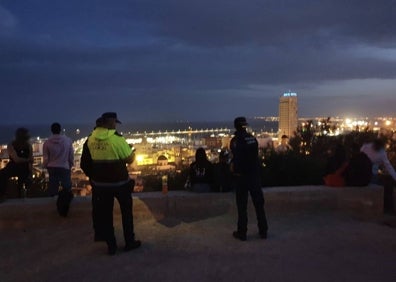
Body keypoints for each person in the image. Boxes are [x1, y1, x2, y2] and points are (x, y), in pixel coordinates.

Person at [82, 112, 141, 255]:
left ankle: (111, 245)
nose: (115, 125)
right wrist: (129, 150)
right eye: (115, 122)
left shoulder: (90, 139)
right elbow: (129, 158)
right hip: (120, 183)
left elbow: (85, 163)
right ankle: (129, 242)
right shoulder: (117, 139)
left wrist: (93, 177)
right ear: (111, 123)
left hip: (101, 186)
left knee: (105, 216)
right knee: (126, 213)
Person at [230, 117, 268, 241]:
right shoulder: (253, 139)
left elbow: (236, 158)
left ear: (236, 126)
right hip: (254, 176)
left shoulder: (236, 141)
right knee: (259, 204)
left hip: (242, 177)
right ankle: (263, 230)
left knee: (242, 206)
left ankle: (242, 232)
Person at [43, 123, 74, 216]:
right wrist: (70, 164)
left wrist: (46, 166)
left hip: (52, 167)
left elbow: (45, 158)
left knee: (53, 188)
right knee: (67, 188)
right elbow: (71, 155)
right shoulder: (67, 141)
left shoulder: (47, 142)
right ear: (60, 130)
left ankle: (54, 208)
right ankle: (65, 208)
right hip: (64, 167)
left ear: (51, 130)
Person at [360, 138, 396, 212]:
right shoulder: (380, 152)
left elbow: (388, 166)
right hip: (371, 174)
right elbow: (388, 166)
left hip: (365, 172)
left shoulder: (366, 147)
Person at [0, 128, 33, 202]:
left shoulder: (12, 144)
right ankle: (4, 195)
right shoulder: (27, 146)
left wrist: (30, 173)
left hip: (18, 167)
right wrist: (28, 161)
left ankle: (4, 195)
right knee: (2, 174)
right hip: (18, 167)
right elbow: (18, 160)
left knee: (2, 174)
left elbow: (18, 159)